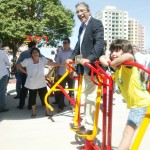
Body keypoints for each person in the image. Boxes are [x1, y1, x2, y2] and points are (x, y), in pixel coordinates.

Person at [99, 39, 150, 150]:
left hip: (141, 103)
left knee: (127, 133)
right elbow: (102, 57)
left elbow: (129, 56)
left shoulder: (128, 65)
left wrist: (111, 63)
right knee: (127, 133)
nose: (113, 54)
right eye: (112, 51)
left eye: (117, 51)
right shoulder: (118, 68)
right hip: (136, 104)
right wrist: (107, 61)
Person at [66, 2, 104, 135]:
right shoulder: (82, 27)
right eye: (77, 12)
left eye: (82, 11)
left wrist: (90, 58)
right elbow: (79, 45)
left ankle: (89, 126)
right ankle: (85, 123)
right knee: (86, 96)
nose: (80, 14)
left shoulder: (96, 23)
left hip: (92, 67)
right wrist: (72, 57)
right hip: (84, 67)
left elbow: (99, 43)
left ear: (89, 11)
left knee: (91, 97)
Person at [17, 47, 64, 117]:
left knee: (45, 97)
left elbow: (51, 63)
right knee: (32, 97)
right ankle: (33, 112)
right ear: (31, 54)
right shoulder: (28, 60)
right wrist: (25, 72)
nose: (35, 53)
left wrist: (61, 64)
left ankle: (47, 111)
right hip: (32, 82)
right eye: (33, 52)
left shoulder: (42, 59)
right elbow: (19, 66)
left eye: (36, 52)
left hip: (41, 82)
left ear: (39, 53)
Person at [55, 37, 74, 112]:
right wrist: (56, 74)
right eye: (63, 43)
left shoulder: (73, 52)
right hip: (61, 73)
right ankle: (60, 106)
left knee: (71, 90)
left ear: (69, 43)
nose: (64, 44)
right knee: (61, 91)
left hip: (71, 73)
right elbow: (56, 64)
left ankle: (72, 105)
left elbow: (76, 62)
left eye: (65, 43)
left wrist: (75, 72)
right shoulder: (60, 53)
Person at [16, 41, 36, 109]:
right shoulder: (36, 52)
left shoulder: (23, 53)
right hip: (33, 72)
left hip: (25, 72)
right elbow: (43, 58)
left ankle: (21, 105)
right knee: (32, 90)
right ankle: (30, 105)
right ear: (33, 46)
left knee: (23, 90)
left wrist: (24, 71)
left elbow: (18, 63)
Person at [0, 39, 10, 112]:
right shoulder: (2, 52)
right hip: (2, 73)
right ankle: (1, 106)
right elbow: (8, 62)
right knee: (2, 91)